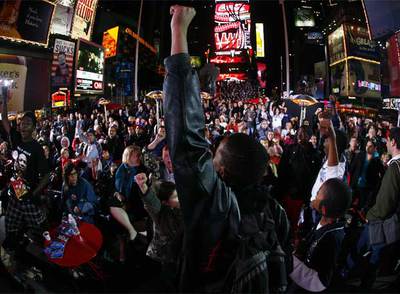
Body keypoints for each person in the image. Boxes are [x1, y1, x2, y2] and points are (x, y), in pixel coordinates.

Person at [163, 6, 291, 292]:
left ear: (221, 170)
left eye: (215, 153)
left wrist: (179, 31)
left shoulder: (216, 206)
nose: (209, 154)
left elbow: (187, 139)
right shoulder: (275, 214)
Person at [1, 95, 50, 253]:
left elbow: (47, 174)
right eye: (22, 123)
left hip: (28, 190)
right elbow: (5, 121)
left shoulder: (36, 148)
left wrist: (35, 194)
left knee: (36, 221)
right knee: (12, 218)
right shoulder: (16, 139)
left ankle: (46, 246)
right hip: (17, 186)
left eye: (28, 123)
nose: (23, 126)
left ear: (34, 127)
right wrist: (3, 97)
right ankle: (14, 241)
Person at [290, 178, 352, 292]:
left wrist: (289, 262)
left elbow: (320, 281)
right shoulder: (323, 221)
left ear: (324, 208)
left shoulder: (331, 239)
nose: (315, 196)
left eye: (318, 193)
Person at [135, 174, 183, 291]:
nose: (179, 198)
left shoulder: (178, 208)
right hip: (168, 255)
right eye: (175, 196)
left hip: (180, 254)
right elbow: (152, 203)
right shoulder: (160, 213)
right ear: (165, 202)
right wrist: (143, 187)